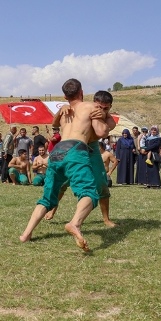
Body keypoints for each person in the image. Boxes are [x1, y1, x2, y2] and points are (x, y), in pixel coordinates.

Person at [20, 80, 113, 251]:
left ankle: (26, 234)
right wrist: (105, 120)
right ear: (82, 92)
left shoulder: (63, 111)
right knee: (89, 192)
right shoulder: (91, 106)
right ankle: (75, 224)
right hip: (76, 150)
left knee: (47, 198)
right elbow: (100, 132)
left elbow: (55, 125)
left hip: (56, 152)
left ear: (64, 96)